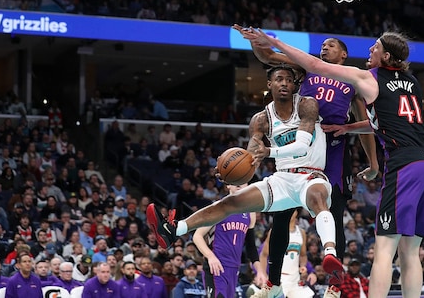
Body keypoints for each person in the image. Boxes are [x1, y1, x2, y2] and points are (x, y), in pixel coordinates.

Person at [241, 28, 424, 298]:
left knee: (384, 250)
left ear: (385, 55)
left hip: (403, 165)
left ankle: (335, 286)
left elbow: (314, 64)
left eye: (375, 47)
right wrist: (348, 129)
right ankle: (274, 282)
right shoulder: (412, 81)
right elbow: (381, 122)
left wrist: (276, 40)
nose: (370, 50)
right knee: (410, 251)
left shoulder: (365, 77)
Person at [147, 65, 343, 298]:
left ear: (294, 85)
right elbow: (251, 160)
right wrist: (231, 173)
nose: (284, 83)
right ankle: (173, 229)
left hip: (310, 174)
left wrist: (267, 152)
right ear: (269, 85)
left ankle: (330, 253)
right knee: (230, 202)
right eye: (278, 79)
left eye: (288, 80)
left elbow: (301, 147)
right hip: (282, 180)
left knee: (317, 197)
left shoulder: (306, 104)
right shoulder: (261, 120)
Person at [233, 24, 379, 297]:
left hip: (332, 147)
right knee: (282, 217)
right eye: (322, 45)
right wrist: (254, 41)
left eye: (331, 45)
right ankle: (273, 285)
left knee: (334, 216)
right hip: (300, 144)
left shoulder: (352, 80)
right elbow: (270, 58)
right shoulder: (308, 67)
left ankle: (335, 286)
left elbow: (365, 123)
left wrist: (373, 163)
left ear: (344, 54)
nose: (324, 48)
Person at [193, 182, 266, 297]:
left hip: (234, 268)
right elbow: (197, 236)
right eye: (234, 180)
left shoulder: (250, 213)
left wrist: (260, 270)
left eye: (242, 180)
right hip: (216, 266)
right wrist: (210, 257)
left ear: (247, 185)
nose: (238, 184)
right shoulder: (218, 207)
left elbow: (251, 246)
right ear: (228, 185)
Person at [257, 209, 315, 298]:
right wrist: (264, 275)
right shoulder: (274, 231)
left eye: (293, 210)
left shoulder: (302, 233)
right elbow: (264, 255)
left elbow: (303, 255)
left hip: (295, 279)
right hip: (279, 278)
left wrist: (303, 266)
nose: (290, 212)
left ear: (297, 213)